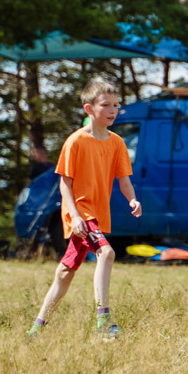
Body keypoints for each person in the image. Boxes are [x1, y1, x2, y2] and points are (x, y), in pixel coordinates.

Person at [26, 80, 142, 340]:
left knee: (65, 272)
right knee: (107, 252)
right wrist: (75, 216)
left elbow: (124, 180)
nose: (113, 110)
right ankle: (103, 322)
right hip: (81, 214)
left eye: (116, 105)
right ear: (89, 108)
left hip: (98, 216)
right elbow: (64, 183)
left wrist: (132, 200)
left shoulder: (117, 143)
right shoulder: (75, 141)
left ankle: (36, 329)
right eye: (106, 105)